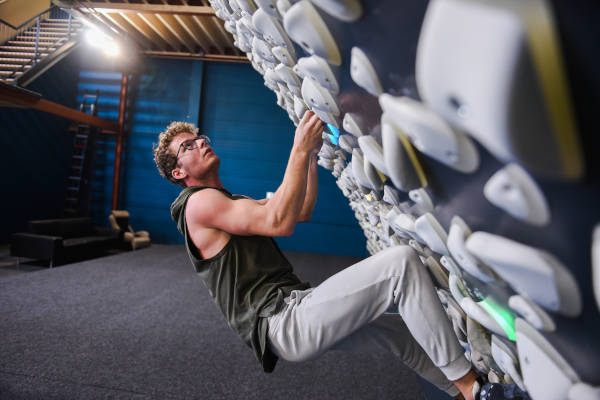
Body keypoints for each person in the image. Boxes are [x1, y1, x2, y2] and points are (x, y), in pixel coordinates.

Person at [152, 112, 525, 400]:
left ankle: (459, 392)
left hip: (295, 307)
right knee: (400, 264)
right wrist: (298, 148)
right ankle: (476, 391)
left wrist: (310, 157)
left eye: (200, 137)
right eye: (187, 146)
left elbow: (300, 210)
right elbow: (278, 221)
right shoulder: (197, 205)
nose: (200, 142)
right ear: (178, 171)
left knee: (399, 333)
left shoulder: (229, 201)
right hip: (284, 321)